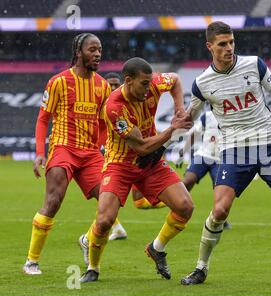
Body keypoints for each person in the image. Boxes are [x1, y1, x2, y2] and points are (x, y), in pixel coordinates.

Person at [180, 21, 271, 285]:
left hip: (267, 142)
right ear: (210, 46)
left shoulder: (254, 64)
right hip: (234, 149)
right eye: (222, 44)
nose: (229, 48)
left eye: (231, 42)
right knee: (220, 210)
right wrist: (167, 143)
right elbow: (189, 118)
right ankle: (200, 267)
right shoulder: (202, 83)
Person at [79, 57, 194, 283]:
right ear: (128, 81)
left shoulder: (152, 83)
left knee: (185, 206)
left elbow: (176, 80)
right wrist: (172, 129)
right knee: (104, 221)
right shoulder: (114, 107)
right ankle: (93, 267)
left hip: (150, 162)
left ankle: (156, 248)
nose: (148, 88)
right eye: (143, 84)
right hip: (119, 164)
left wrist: (179, 109)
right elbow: (141, 147)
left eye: (150, 82)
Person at [23, 33, 111, 275]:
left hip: (91, 153)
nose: (97, 54)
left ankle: (87, 240)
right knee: (53, 202)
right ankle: (31, 261)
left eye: (99, 50)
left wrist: (102, 146)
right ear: (78, 53)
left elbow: (103, 124)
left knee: (108, 204)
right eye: (92, 50)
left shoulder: (102, 85)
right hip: (64, 148)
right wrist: (40, 153)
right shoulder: (58, 82)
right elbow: (43, 119)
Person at [101, 73, 166, 242]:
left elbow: (140, 137)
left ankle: (167, 200)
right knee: (104, 202)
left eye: (116, 84)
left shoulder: (127, 105)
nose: (113, 88)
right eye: (110, 85)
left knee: (136, 201)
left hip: (136, 156)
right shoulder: (106, 106)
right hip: (112, 158)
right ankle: (114, 228)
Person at [176, 109, 231, 229]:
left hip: (220, 159)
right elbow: (194, 134)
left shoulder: (233, 116)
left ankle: (220, 218)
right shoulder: (207, 116)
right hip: (203, 155)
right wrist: (182, 152)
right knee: (188, 180)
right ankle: (177, 206)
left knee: (220, 189)